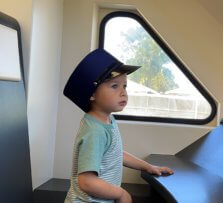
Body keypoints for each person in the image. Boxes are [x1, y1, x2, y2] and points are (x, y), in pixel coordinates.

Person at [63, 49, 174, 203]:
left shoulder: (108, 120)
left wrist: (148, 167)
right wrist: (120, 194)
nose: (123, 93)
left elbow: (114, 153)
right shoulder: (95, 131)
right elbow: (86, 181)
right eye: (115, 86)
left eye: (125, 86)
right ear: (92, 94)